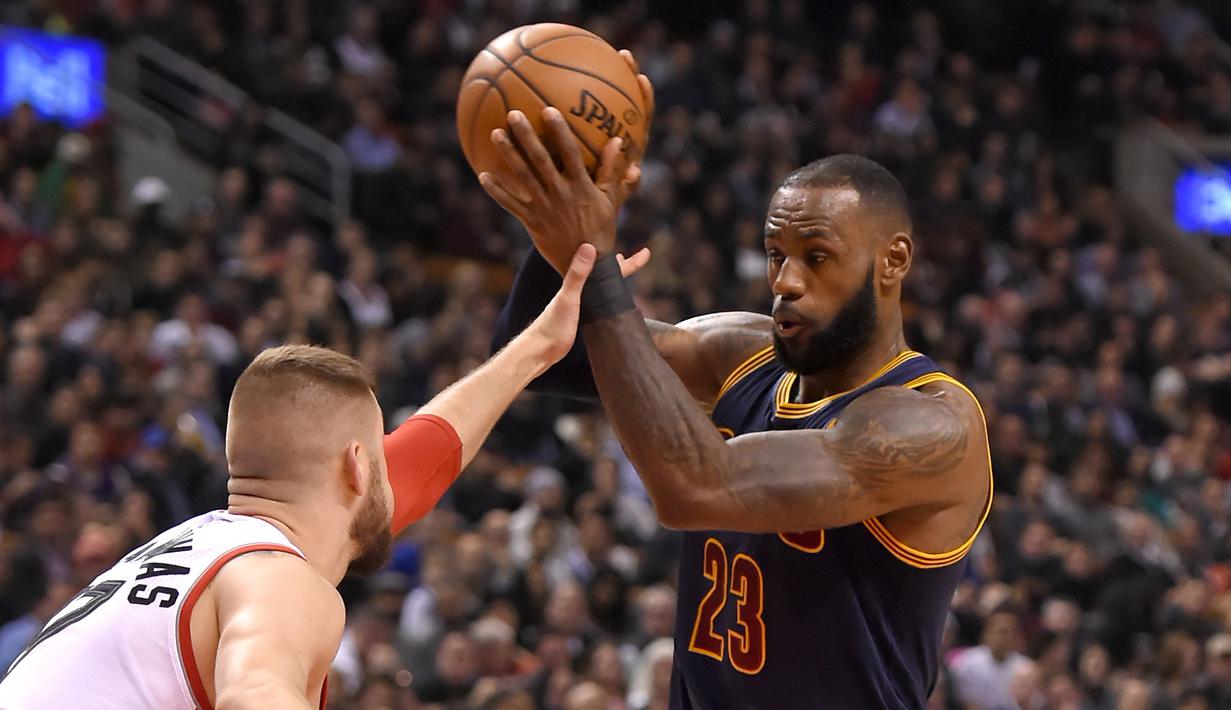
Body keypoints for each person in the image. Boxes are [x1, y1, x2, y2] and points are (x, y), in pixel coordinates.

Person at [487, 59, 992, 708]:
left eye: (816, 256)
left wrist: (600, 265)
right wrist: (563, 231)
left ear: (892, 260)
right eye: (775, 254)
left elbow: (694, 487)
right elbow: (540, 355)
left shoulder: (930, 426)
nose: (784, 279)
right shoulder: (738, 353)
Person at [0, 245, 637, 709]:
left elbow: (423, 458)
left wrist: (538, 347)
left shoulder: (204, 548)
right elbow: (255, 694)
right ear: (358, 466)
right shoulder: (281, 580)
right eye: (380, 455)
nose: (394, 471)